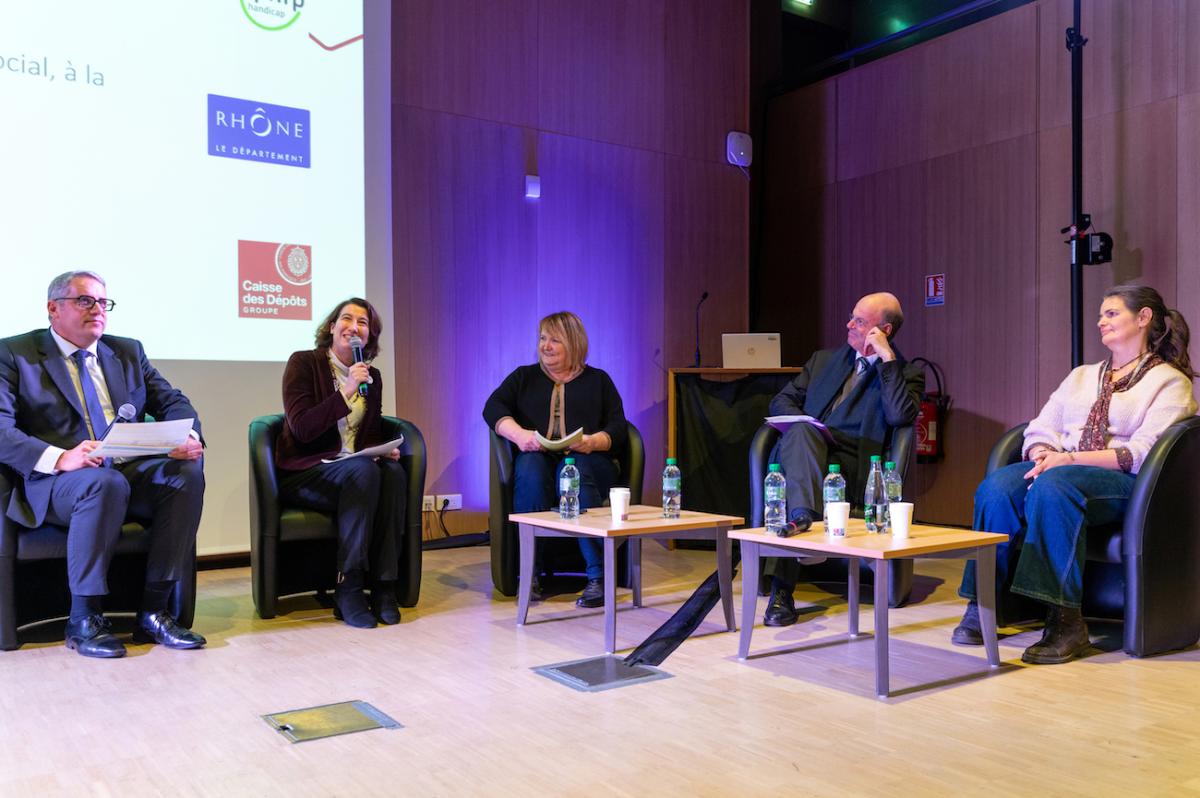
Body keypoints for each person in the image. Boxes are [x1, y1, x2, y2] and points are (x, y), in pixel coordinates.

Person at [953, 284, 1196, 664]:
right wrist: (1044, 452)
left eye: (1112, 313)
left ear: (1144, 318)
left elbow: (1145, 452)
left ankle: (1065, 621)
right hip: (1063, 469)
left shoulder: (1169, 381)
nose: (1102, 321)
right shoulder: (1082, 376)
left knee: (1056, 485)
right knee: (997, 488)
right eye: (1101, 315)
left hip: (1129, 483)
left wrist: (1070, 461)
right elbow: (1041, 427)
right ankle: (985, 603)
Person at [0, 271, 206, 658]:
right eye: (85, 301)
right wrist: (62, 457)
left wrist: (187, 436)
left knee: (184, 473)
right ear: (53, 308)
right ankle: (83, 619)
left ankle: (155, 610)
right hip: (58, 480)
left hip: (123, 470)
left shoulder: (128, 352)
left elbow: (174, 401)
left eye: (102, 302)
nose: (97, 310)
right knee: (102, 483)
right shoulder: (15, 355)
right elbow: (1, 430)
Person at [762, 292, 924, 626]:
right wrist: (805, 426)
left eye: (860, 322)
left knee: (798, 465)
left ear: (884, 331)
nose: (849, 325)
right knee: (802, 437)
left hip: (852, 463)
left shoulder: (906, 373)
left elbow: (899, 417)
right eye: (852, 317)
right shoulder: (823, 361)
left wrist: (887, 362)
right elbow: (782, 401)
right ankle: (803, 521)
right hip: (805, 451)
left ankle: (784, 582)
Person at [275, 298, 407, 629]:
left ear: (369, 334)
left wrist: (382, 449)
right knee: (362, 470)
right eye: (346, 319)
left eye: (362, 322)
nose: (353, 326)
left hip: (353, 471)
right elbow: (302, 428)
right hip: (306, 471)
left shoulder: (371, 376)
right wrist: (346, 390)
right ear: (332, 327)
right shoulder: (303, 363)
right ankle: (348, 586)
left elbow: (369, 432)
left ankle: (384, 587)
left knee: (392, 473)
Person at [483, 311, 627, 608]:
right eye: (542, 339)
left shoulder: (599, 381)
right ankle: (530, 572)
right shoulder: (524, 376)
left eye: (554, 340)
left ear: (573, 344)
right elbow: (492, 407)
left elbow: (619, 428)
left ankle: (598, 576)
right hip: (539, 456)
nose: (545, 346)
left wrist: (592, 442)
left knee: (572, 472)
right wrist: (520, 435)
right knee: (531, 469)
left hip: (587, 460)